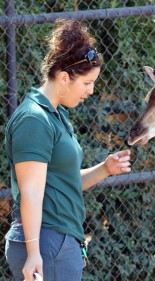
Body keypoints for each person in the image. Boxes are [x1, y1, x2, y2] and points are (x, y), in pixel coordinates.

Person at [4, 19, 132, 281]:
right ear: (64, 78)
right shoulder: (34, 120)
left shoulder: (55, 114)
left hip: (56, 242)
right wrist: (34, 253)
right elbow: (30, 192)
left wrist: (105, 169)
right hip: (47, 243)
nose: (91, 90)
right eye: (87, 83)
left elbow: (63, 182)